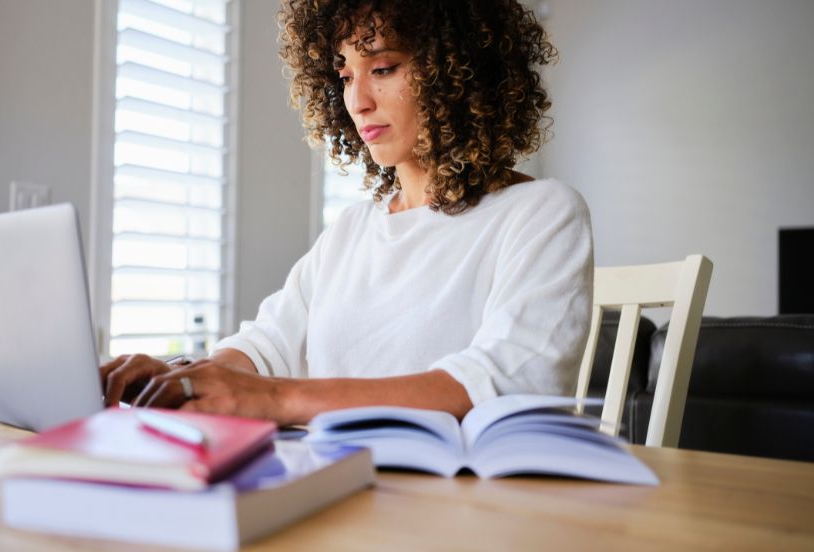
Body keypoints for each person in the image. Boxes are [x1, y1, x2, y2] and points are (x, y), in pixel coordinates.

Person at [100, 0, 593, 426]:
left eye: (382, 69)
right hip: (336, 488)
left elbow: (510, 379)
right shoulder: (352, 230)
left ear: (459, 72)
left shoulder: (541, 213)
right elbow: (269, 343)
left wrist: (278, 399)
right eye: (344, 75)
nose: (357, 101)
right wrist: (183, 378)